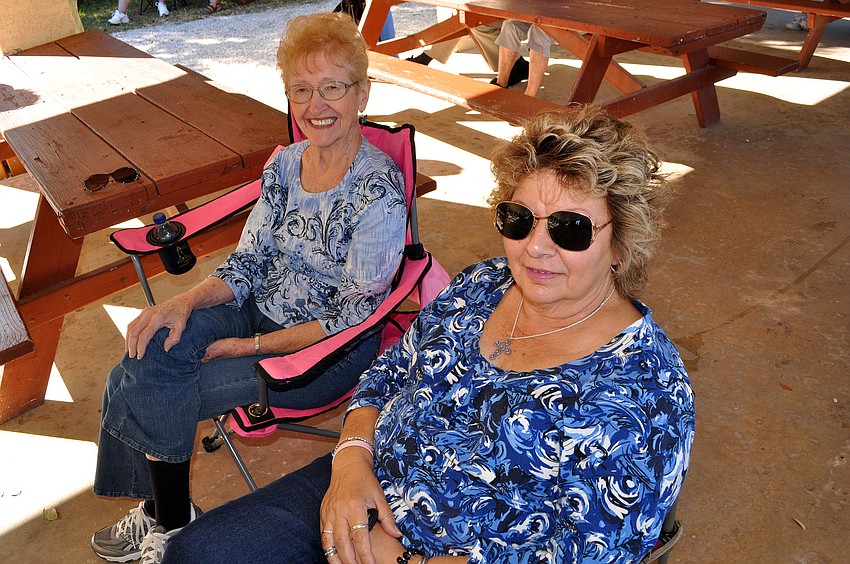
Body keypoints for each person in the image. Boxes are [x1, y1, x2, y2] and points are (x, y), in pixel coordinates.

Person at [161, 104, 695, 563]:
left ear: (623, 242)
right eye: (519, 219)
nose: (535, 247)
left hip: (438, 551)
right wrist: (349, 461)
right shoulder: (483, 284)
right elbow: (388, 371)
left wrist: (402, 557)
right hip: (364, 477)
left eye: (570, 228)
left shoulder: (647, 392)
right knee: (196, 552)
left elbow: (578, 550)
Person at [90, 11, 408, 564]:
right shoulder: (285, 165)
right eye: (301, 90)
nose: (316, 106)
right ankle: (169, 517)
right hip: (257, 310)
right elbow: (250, 262)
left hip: (319, 355)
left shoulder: (377, 186)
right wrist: (182, 301)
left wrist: (247, 349)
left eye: (333, 87)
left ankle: (163, 520)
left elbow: (353, 317)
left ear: (362, 92)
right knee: (151, 342)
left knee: (136, 380)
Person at [493, 20, 555, 97]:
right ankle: (501, 83)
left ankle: (529, 95)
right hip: (540, 16)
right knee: (510, 25)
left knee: (538, 31)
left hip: (563, 18)